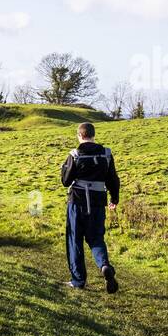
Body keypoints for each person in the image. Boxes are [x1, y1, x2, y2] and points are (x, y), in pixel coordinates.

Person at [60, 121, 120, 292]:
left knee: (74, 240)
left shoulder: (74, 154)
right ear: (93, 135)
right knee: (96, 238)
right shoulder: (106, 154)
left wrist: (64, 169)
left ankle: (78, 280)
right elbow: (113, 179)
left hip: (77, 202)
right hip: (98, 202)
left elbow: (66, 182)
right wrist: (114, 199)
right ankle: (104, 265)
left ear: (79, 135)